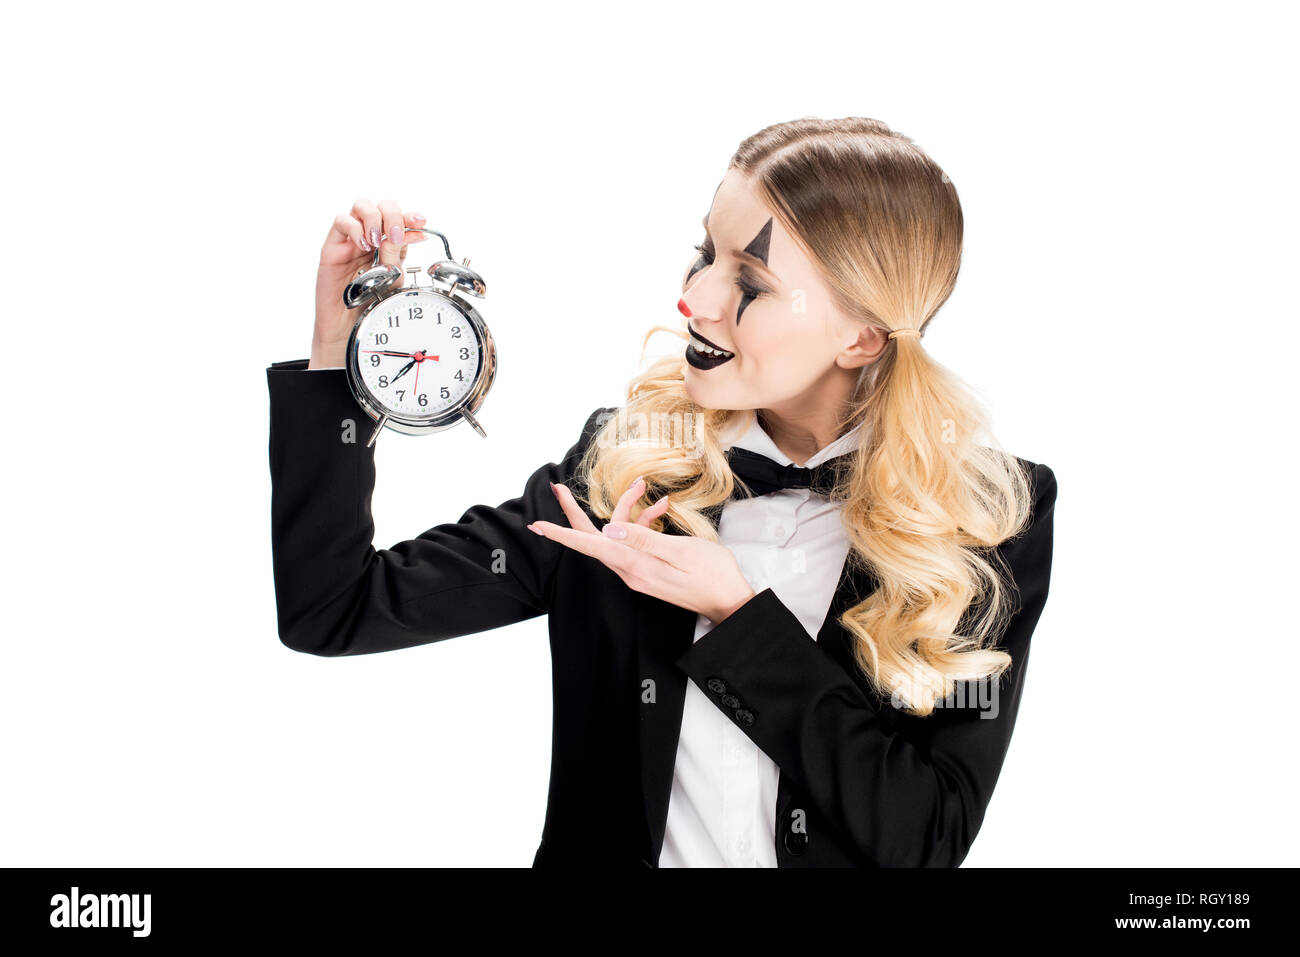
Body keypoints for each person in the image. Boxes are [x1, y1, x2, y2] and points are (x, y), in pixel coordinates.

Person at [266, 116, 1058, 867]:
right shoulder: (621, 472)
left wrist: (739, 619)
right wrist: (338, 351)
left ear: (859, 335)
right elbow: (333, 609)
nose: (695, 298)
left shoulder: (986, 521)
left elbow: (924, 835)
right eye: (704, 252)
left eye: (749, 278)